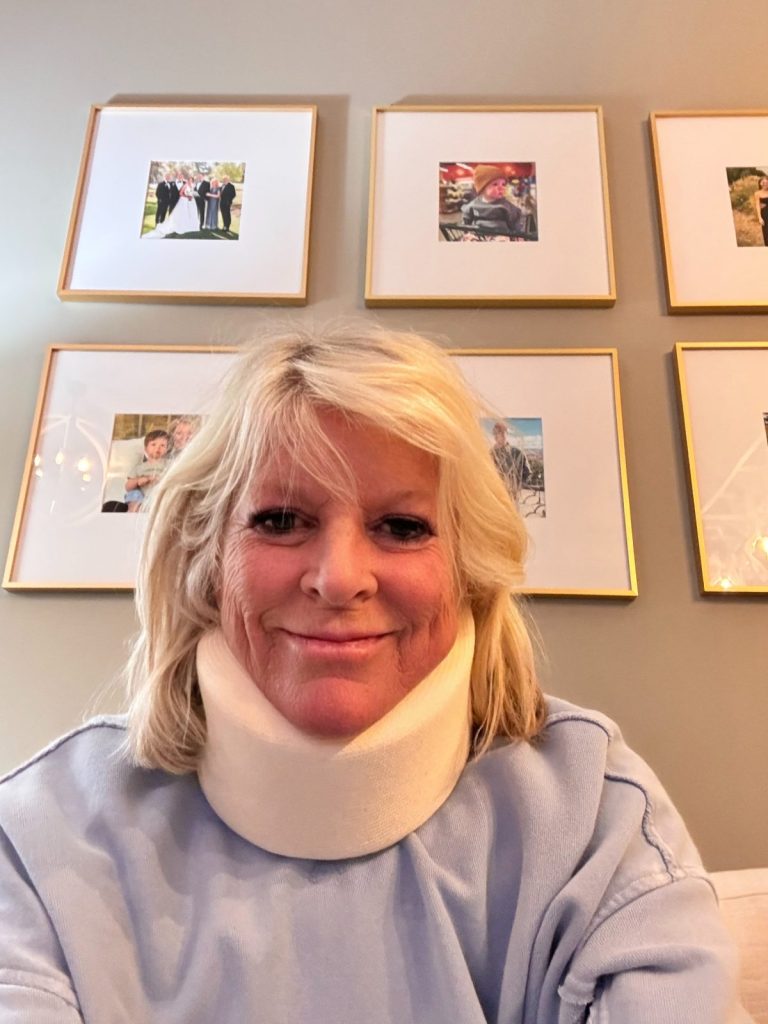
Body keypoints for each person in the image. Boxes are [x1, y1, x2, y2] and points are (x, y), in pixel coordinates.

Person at [0, 326, 744, 1022]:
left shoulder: (593, 818)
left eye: (403, 527)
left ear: (469, 573)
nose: (339, 578)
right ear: (206, 561)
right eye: (280, 520)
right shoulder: (41, 835)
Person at [462, 164, 524, 238]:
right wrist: (467, 232)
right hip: (479, 235)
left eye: (503, 184)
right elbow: (466, 219)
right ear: (482, 187)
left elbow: (515, 222)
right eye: (495, 184)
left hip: (501, 236)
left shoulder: (505, 205)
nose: (501, 188)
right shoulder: (473, 205)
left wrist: (518, 236)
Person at [123, 427, 170, 512]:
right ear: (145, 449)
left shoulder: (168, 464)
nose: (158, 448)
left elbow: (175, 476)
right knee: (134, 494)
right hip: (142, 497)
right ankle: (133, 514)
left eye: (162, 445)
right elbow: (128, 487)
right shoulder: (139, 468)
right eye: (153, 444)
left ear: (167, 449)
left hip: (159, 494)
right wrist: (138, 481)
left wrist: (162, 480)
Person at [490, 419, 531, 500]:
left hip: (512, 498)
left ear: (506, 433)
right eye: (495, 433)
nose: (498, 435)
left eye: (501, 432)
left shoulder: (518, 453)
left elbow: (528, 473)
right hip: (494, 498)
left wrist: (516, 488)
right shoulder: (490, 454)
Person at [753, 175, 768, 246]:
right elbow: (757, 205)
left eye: (766, 182)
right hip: (765, 214)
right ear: (760, 184)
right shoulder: (757, 193)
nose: (765, 184)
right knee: (766, 233)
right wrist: (759, 217)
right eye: (763, 183)